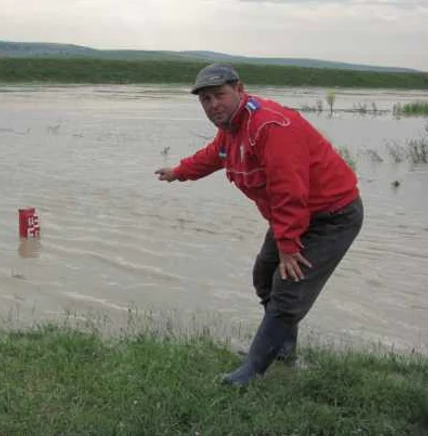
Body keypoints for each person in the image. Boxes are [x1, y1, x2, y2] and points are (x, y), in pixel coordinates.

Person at [155, 63, 363, 387]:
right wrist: (178, 171)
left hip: (331, 216)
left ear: (239, 89)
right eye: (205, 99)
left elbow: (289, 191)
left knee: (287, 290)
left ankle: (250, 371)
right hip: (295, 216)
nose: (213, 105)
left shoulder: (270, 126)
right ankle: (282, 348)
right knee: (264, 276)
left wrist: (289, 247)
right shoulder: (233, 127)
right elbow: (215, 154)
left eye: (219, 95)